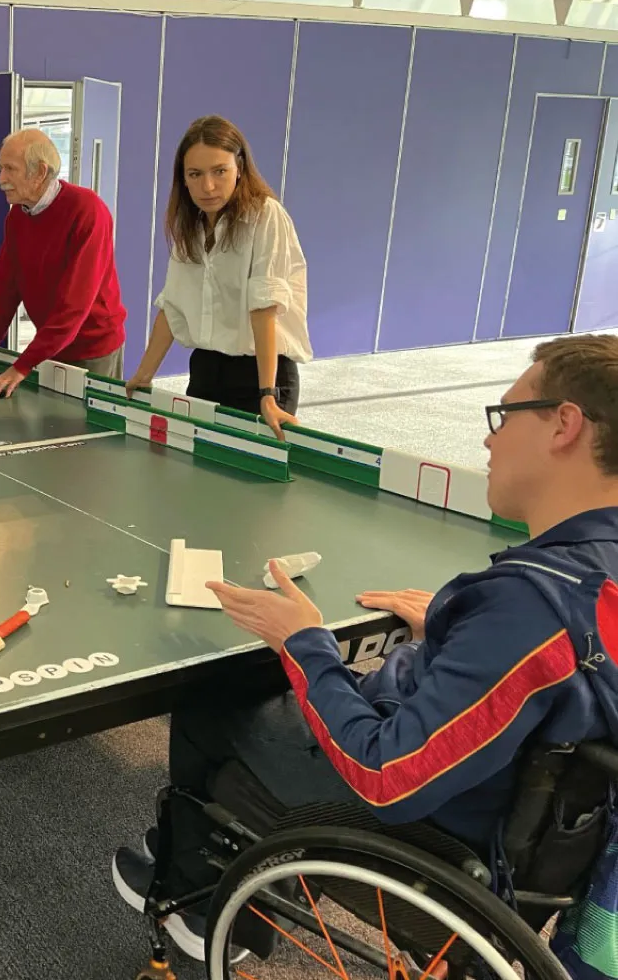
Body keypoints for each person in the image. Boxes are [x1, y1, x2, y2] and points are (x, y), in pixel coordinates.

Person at [112, 333, 618, 961]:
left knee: (216, 699)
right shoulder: (580, 583)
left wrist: (307, 643)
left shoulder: (532, 611)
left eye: (504, 415)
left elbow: (387, 776)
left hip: (426, 836)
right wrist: (459, 633)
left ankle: (197, 897)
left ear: (564, 425)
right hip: (513, 812)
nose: (490, 438)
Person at [125, 115, 310, 440]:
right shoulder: (190, 227)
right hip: (208, 370)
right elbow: (173, 307)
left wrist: (267, 393)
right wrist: (144, 374)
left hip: (262, 370)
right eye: (195, 174)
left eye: (219, 171)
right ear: (183, 178)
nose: (207, 186)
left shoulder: (265, 215)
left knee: (251, 480)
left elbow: (264, 309)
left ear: (239, 167)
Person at [0, 128, 127, 398]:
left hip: (93, 348)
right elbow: (3, 291)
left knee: (88, 436)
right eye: (0, 168)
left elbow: (74, 306)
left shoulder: (88, 210)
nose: (1, 179)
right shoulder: (17, 216)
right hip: (53, 345)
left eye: (10, 169)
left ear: (39, 173)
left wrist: (22, 366)